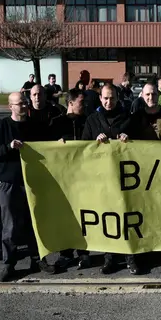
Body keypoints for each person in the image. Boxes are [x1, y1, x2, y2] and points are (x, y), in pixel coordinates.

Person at [0, 93, 57, 282]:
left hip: (33, 181)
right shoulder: (1, 127)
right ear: (10, 107)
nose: (23, 106)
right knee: (10, 225)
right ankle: (9, 263)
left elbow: (50, 146)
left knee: (35, 222)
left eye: (25, 103)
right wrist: (7, 147)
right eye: (19, 103)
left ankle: (38, 258)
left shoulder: (36, 126)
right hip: (10, 182)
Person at [80, 85, 138, 275]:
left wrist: (129, 139)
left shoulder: (129, 118)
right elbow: (83, 146)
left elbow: (142, 147)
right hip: (102, 177)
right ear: (100, 98)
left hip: (126, 177)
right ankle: (109, 257)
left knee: (127, 215)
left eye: (112, 98)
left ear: (117, 98)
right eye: (105, 98)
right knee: (108, 217)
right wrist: (95, 142)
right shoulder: (92, 120)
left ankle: (130, 256)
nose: (108, 102)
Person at [50, 89, 93, 270]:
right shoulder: (56, 123)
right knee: (65, 216)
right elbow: (46, 147)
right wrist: (54, 145)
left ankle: (84, 252)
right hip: (64, 179)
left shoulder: (88, 121)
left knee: (84, 215)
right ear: (71, 103)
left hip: (84, 177)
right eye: (81, 103)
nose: (85, 106)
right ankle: (65, 253)